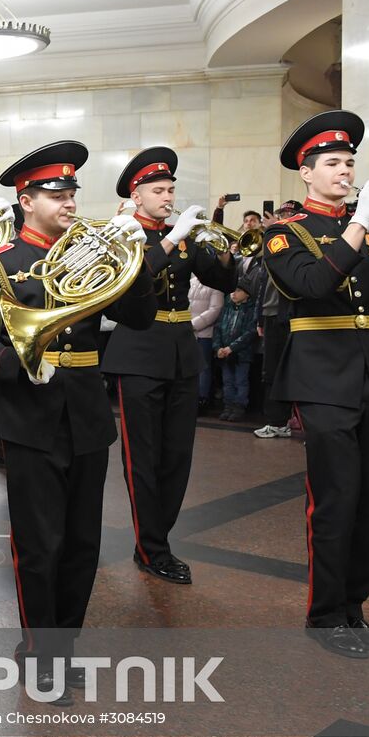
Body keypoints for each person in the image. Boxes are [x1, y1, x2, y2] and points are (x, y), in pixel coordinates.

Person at [0, 140, 154, 705]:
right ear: (26, 199)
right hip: (29, 419)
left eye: (72, 192)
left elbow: (137, 318)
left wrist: (139, 263)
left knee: (83, 544)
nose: (69, 202)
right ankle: (39, 652)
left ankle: (64, 649)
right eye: (57, 193)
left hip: (87, 415)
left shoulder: (94, 255)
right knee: (39, 545)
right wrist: (15, 368)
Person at [264, 109, 369, 658]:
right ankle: (325, 614)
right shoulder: (285, 236)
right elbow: (314, 285)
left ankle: (354, 607)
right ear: (306, 173)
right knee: (335, 500)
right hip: (322, 381)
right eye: (333, 163)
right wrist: (359, 222)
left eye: (349, 162)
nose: (344, 170)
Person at [103, 147, 236, 585]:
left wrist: (219, 248)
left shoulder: (181, 235)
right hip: (139, 352)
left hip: (181, 352)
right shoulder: (121, 234)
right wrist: (171, 238)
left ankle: (160, 536)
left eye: (171, 189)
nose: (167, 196)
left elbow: (224, 282)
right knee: (143, 457)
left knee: (177, 456)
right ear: (136, 196)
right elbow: (126, 286)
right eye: (158, 190)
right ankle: (151, 547)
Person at [253, 201, 302, 439]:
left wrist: (279, 228)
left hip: (291, 316)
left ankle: (296, 421)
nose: (283, 217)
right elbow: (263, 284)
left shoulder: (297, 238)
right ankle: (276, 421)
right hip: (270, 314)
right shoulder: (272, 242)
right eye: (281, 214)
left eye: (288, 214)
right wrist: (259, 319)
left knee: (295, 371)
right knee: (271, 371)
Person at [212, 278, 259, 420]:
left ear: (247, 294)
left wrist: (232, 348)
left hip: (241, 354)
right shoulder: (227, 308)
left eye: (238, 290)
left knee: (241, 380)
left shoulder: (251, 310)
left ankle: (239, 407)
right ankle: (228, 406)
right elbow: (218, 328)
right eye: (233, 290)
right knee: (227, 381)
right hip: (225, 353)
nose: (234, 293)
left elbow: (250, 332)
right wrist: (218, 347)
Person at [188, 276, 223, 414]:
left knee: (204, 368)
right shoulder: (191, 281)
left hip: (204, 334)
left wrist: (194, 324)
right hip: (188, 332)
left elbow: (215, 309)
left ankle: (202, 399)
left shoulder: (215, 283)